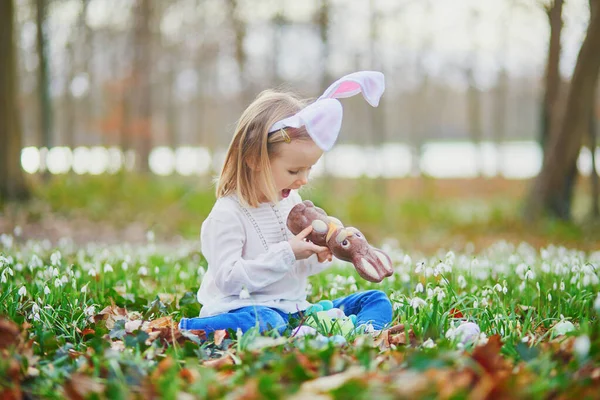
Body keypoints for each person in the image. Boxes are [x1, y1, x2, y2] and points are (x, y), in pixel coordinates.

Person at [179, 71, 393, 336]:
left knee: (374, 300)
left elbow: (293, 271)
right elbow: (229, 280)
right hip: (242, 307)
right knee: (267, 322)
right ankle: (192, 329)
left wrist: (317, 255)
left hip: (293, 309)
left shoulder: (290, 203)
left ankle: (362, 335)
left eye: (308, 170)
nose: (303, 180)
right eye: (294, 171)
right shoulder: (228, 214)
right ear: (254, 159)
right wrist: (287, 252)